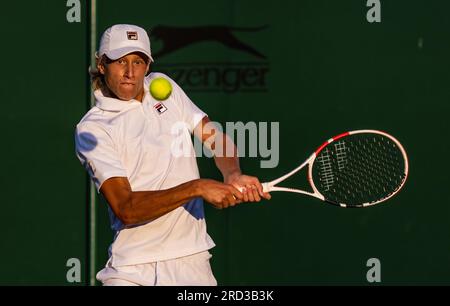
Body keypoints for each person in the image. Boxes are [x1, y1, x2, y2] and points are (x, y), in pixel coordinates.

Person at [75, 24, 271, 286]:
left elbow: (213, 136)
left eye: (138, 61)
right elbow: (126, 208)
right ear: (102, 65)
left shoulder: (162, 85)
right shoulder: (93, 128)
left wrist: (232, 174)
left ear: (147, 65)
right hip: (133, 270)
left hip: (192, 262)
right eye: (120, 61)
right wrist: (197, 187)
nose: (130, 72)